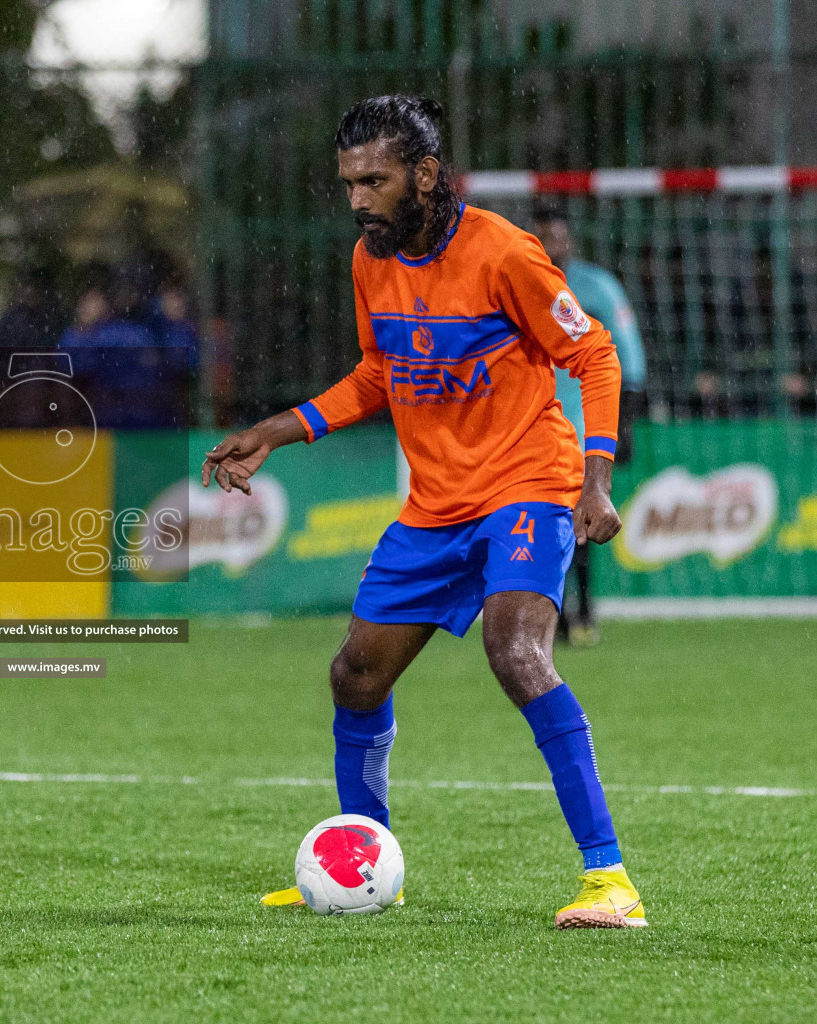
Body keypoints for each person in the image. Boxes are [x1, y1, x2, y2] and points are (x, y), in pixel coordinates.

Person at [202, 95, 644, 929]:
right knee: (355, 674)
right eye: (348, 183)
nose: (359, 198)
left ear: (427, 175)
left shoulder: (505, 253)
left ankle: (608, 880)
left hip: (527, 483)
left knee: (514, 653)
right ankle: (368, 865)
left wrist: (596, 478)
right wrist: (279, 430)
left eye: (375, 179)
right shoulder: (371, 260)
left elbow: (592, 352)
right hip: (437, 505)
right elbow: (377, 373)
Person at [532, 204, 648, 646]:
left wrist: (625, 425)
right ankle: (558, 614)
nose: (550, 248)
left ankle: (581, 612)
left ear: (569, 241)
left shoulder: (595, 288)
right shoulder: (519, 287)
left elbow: (629, 359)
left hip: (584, 426)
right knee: (545, 524)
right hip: (531, 429)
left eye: (556, 238)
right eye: (542, 240)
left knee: (576, 522)